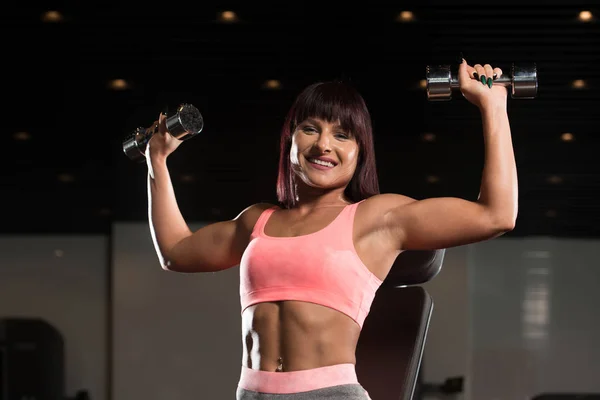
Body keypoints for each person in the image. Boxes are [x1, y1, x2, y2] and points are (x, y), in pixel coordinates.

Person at [144, 57, 517, 399]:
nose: (323, 145)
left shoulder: (378, 217)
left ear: (360, 152)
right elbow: (176, 251)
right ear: (290, 142)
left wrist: (493, 107)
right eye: (310, 129)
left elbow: (497, 215)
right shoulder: (256, 221)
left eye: (342, 135)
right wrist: (156, 161)